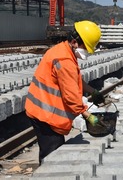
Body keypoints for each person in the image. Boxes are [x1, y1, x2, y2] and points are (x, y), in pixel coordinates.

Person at [25, 20, 106, 164]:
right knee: (51, 157)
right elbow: (71, 97)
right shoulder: (65, 59)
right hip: (45, 114)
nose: (87, 52)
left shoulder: (64, 51)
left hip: (43, 109)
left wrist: (92, 91)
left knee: (53, 151)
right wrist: (89, 116)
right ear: (74, 41)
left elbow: (74, 80)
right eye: (86, 48)